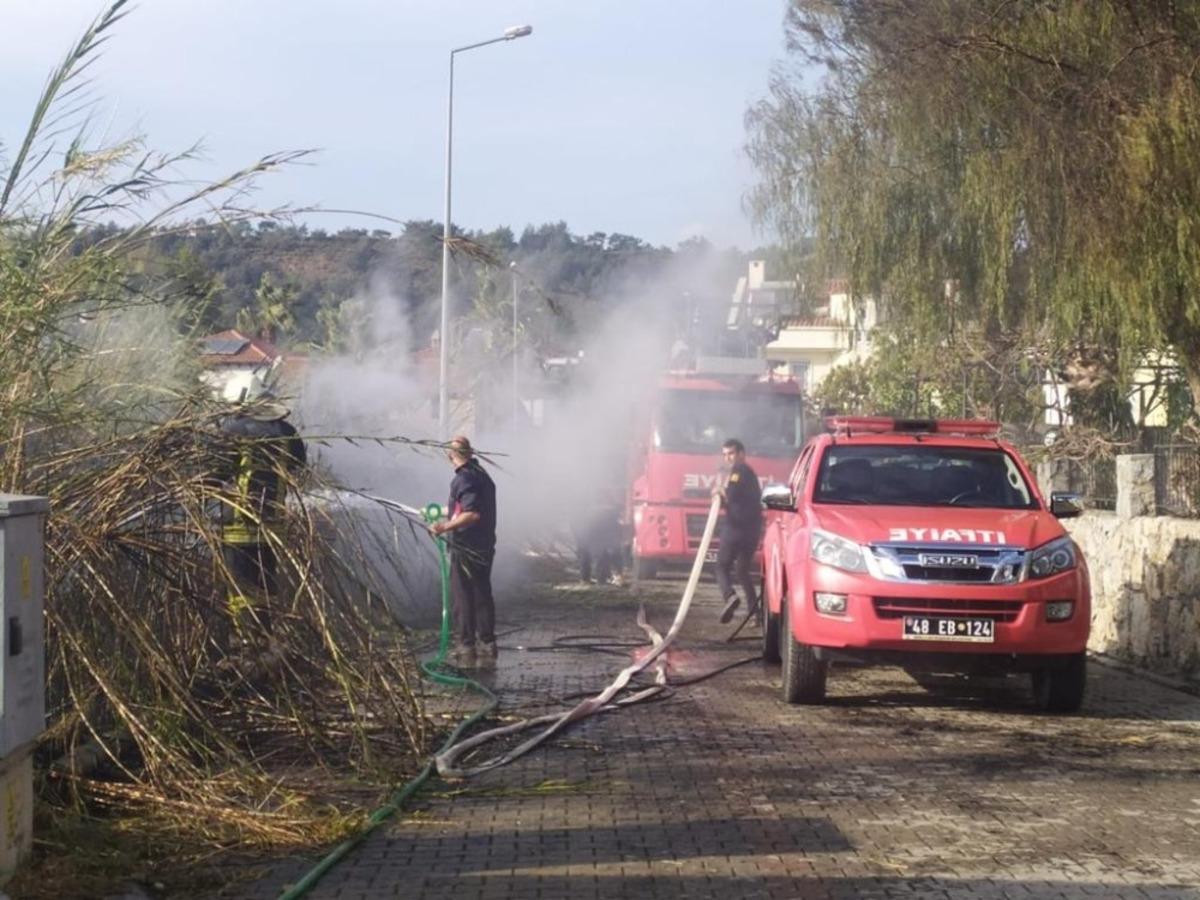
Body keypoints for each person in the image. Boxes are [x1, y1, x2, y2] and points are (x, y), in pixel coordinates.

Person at [216, 372, 306, 643]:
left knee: (240, 588)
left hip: (238, 524)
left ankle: (245, 642)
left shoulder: (233, 429)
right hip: (271, 526)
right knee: (264, 584)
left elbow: (215, 472)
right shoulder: (287, 432)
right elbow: (297, 465)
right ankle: (265, 638)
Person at [431, 436, 498, 667]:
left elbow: (471, 514)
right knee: (481, 593)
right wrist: (441, 513)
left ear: (450, 455)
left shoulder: (464, 478)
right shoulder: (482, 476)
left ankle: (466, 645)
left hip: (467, 547)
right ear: (470, 452)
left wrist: (443, 527)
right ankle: (487, 643)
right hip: (484, 545)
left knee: (463, 596)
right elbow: (464, 509)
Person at [714, 438, 763, 624]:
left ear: (741, 454)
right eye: (725, 455)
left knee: (721, 566)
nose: (728, 458)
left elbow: (731, 495)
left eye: (731, 453)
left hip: (735, 529)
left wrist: (719, 491)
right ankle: (755, 613)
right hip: (752, 532)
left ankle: (730, 596)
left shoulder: (739, 471)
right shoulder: (750, 473)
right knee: (742, 571)